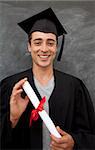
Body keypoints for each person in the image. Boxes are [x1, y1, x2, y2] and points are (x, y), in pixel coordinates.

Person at [0, 7, 95, 150]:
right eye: (38, 42)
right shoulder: (12, 87)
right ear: (29, 46)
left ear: (56, 47)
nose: (44, 49)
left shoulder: (74, 87)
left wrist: (74, 142)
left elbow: (90, 136)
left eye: (50, 43)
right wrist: (12, 118)